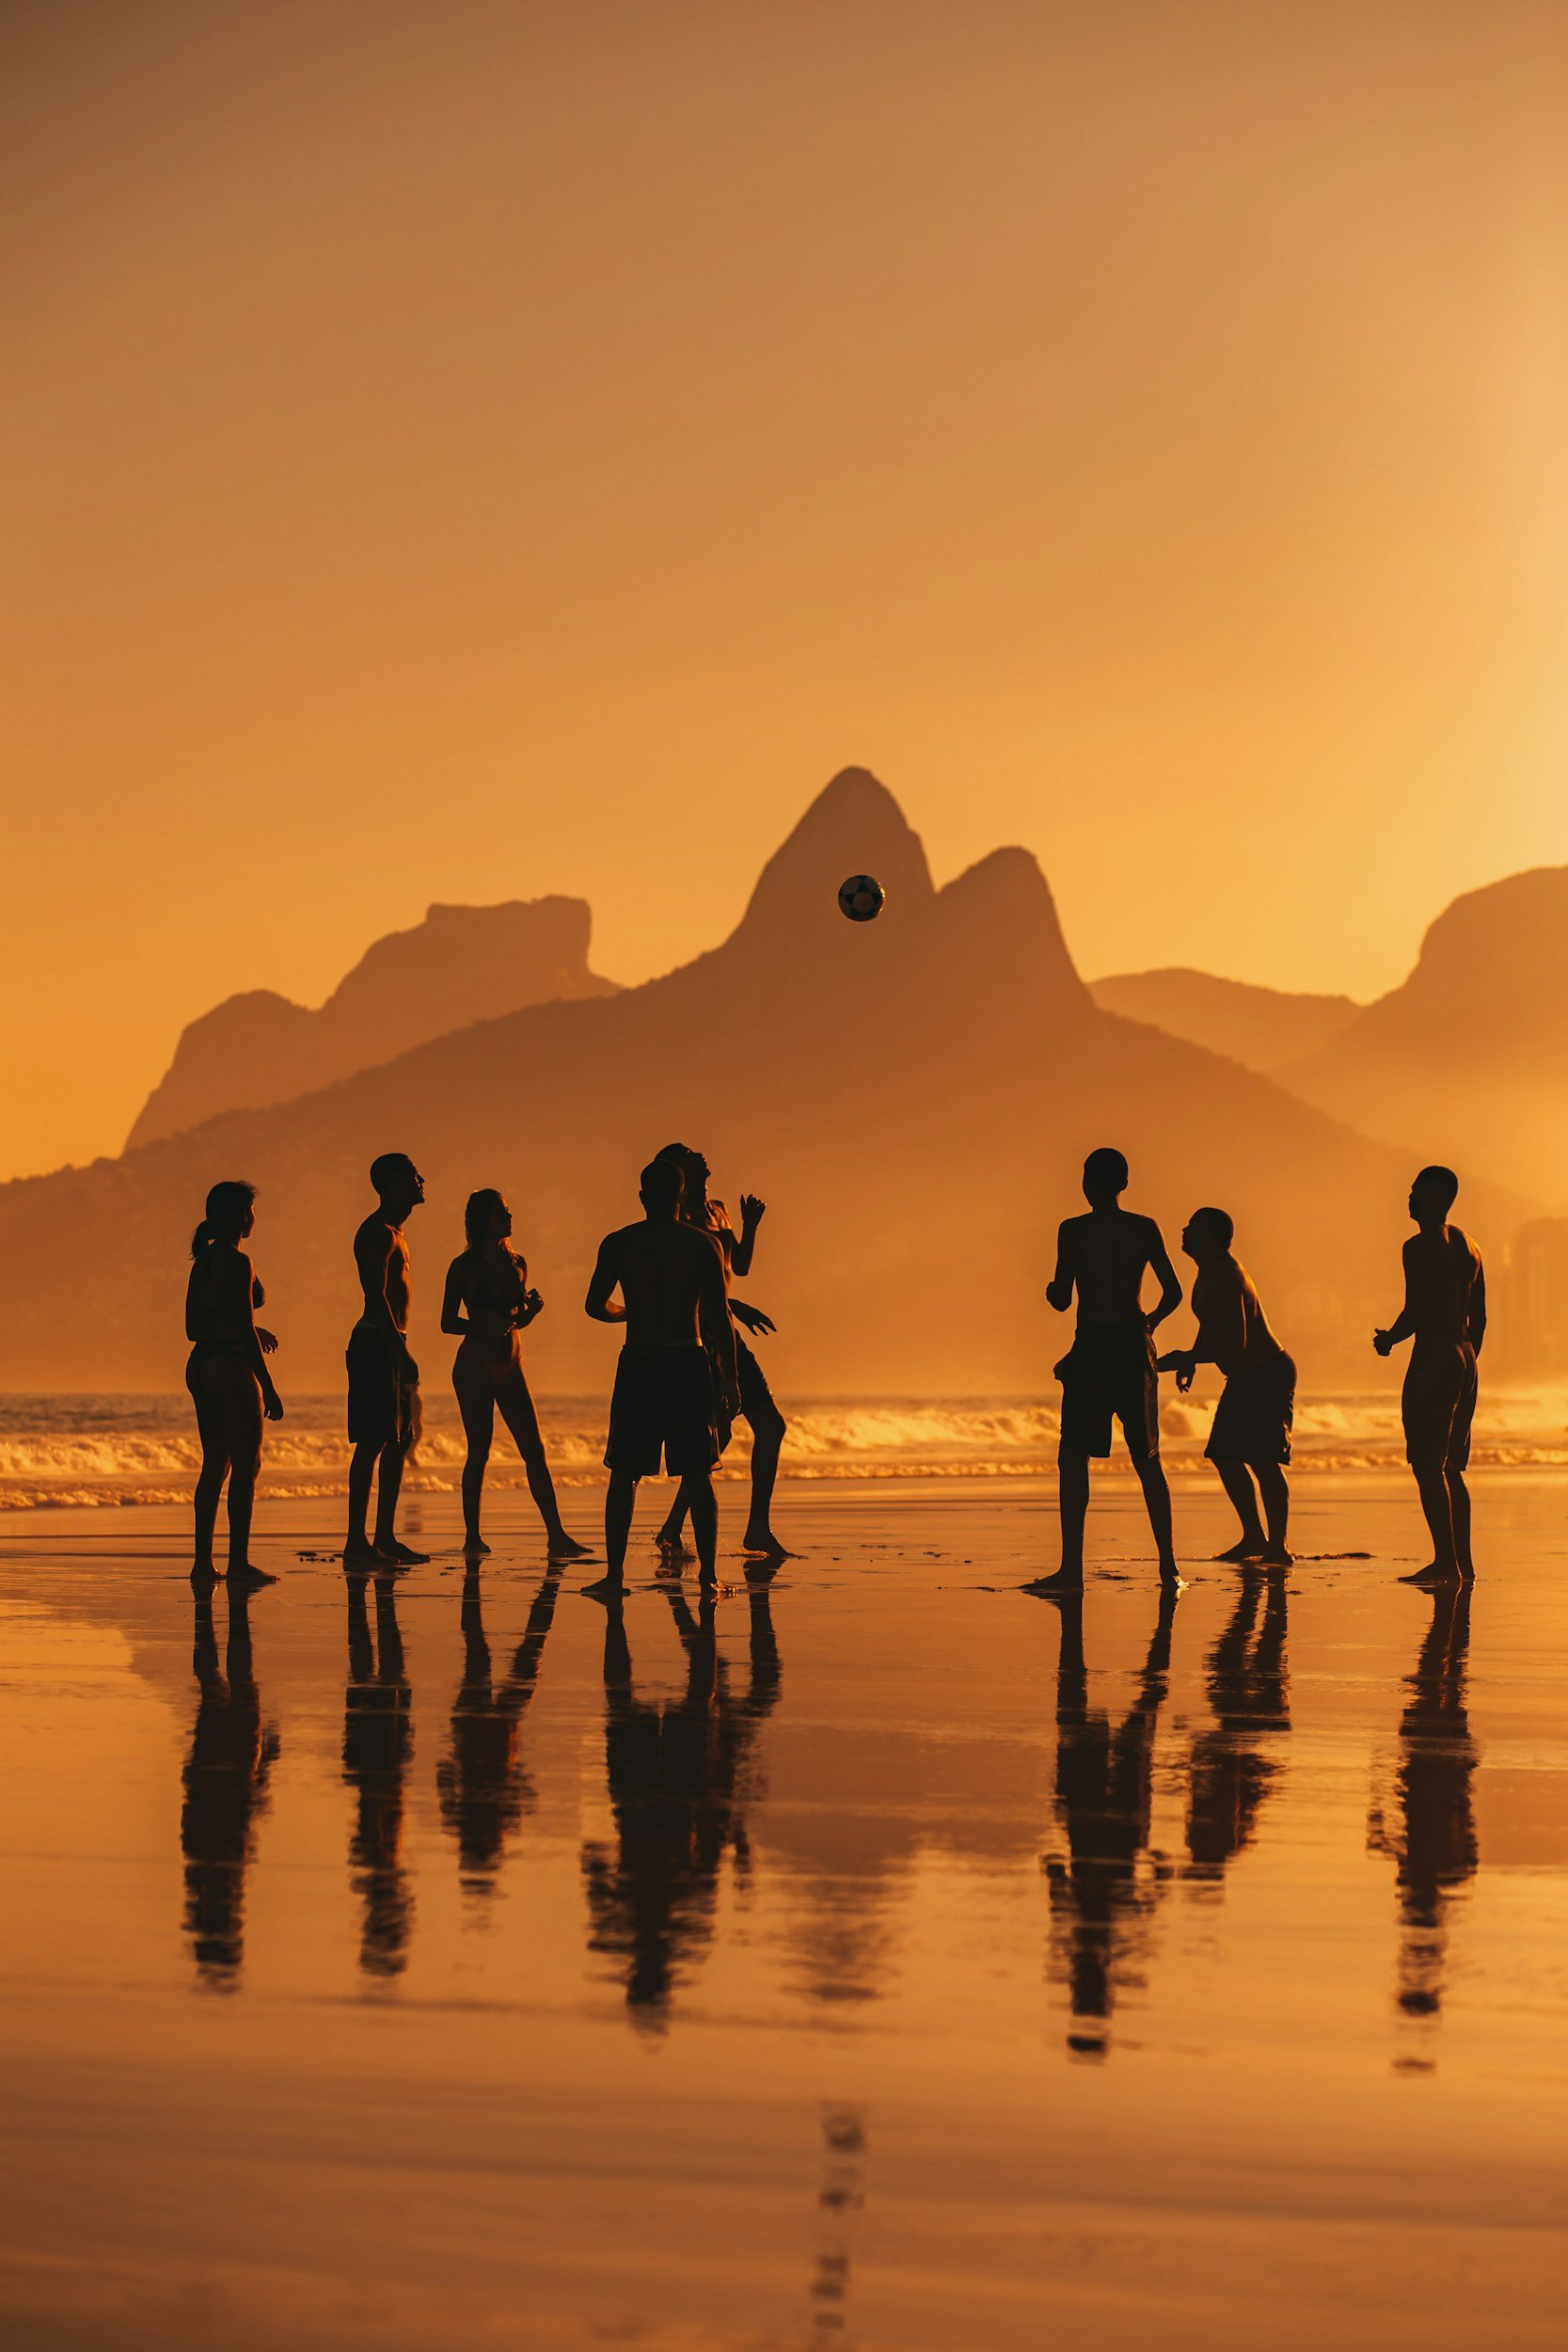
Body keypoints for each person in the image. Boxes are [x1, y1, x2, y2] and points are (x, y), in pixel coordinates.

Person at [1026, 1147, 1182, 1594]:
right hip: (1133, 1347)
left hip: (1093, 1346)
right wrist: (1148, 1323)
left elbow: (1063, 1299)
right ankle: (1168, 1569)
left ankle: (1071, 1571)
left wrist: (1050, 1290)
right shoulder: (1144, 1228)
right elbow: (1173, 1292)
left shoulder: (1072, 1230)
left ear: (1086, 1184)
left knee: (1074, 1456)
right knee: (1148, 1460)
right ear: (1125, 1183)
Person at [584, 1157, 738, 1593]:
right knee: (697, 1472)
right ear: (682, 1196)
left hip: (640, 1360)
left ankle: (613, 1576)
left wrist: (628, 1313)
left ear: (642, 1197)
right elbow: (719, 1316)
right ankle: (708, 1576)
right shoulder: (703, 1244)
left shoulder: (619, 1243)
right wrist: (730, 1379)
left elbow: (595, 1305)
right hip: (687, 1361)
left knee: (624, 1473)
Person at [652, 1143, 789, 1562]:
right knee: (718, 1435)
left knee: (771, 1427)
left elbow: (738, 1267)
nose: (706, 1169)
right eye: (696, 1167)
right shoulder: (678, 1222)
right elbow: (684, 1289)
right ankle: (674, 1528)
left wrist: (750, 1227)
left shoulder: (718, 1209)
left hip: (727, 1333)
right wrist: (735, 1306)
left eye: (706, 1167)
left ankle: (757, 1529)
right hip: (700, 1336)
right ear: (680, 1176)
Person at [440, 1188, 590, 1560]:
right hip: (474, 1365)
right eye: (502, 1213)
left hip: (511, 1365)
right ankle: (472, 1537)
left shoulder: (518, 1262)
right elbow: (447, 1322)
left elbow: (516, 1319)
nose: (510, 1218)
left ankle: (556, 1535)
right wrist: (480, 1328)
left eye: (508, 1212)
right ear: (482, 1219)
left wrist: (531, 1313)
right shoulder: (463, 1267)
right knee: (479, 1451)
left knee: (534, 1450)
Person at [1159, 1206, 1297, 1564]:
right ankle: (1254, 1537)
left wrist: (1185, 1358)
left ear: (1211, 1238)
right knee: (1225, 1454)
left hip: (1266, 1372)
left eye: (1193, 1228)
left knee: (1264, 1460)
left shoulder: (1224, 1275)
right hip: (1246, 1374)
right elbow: (1213, 1325)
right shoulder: (1208, 1272)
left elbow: (1236, 1341)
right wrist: (1192, 1354)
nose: (1184, 1231)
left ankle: (1278, 1546)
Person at [1374, 1167, 1485, 1588]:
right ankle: (1463, 1565)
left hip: (1435, 1358)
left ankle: (1445, 1563)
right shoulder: (1472, 1247)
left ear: (1437, 1198)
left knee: (1426, 1463)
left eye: (1417, 1191)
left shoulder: (1417, 1246)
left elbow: (1416, 1309)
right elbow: (1481, 1317)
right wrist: (1466, 1361)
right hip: (1464, 1357)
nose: (1409, 1196)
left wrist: (1390, 1339)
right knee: (1452, 1467)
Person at [184, 1179, 283, 1588]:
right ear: (243, 1217)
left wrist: (245, 1331)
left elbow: (194, 1328)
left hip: (202, 1364)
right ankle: (239, 1562)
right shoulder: (238, 1262)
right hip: (230, 1367)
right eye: (250, 1210)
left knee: (215, 1465)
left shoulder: (203, 1261)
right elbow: (243, 1327)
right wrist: (269, 1385)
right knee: (247, 1464)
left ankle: (203, 1563)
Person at [345, 1152, 428, 1568]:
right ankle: (356, 1541)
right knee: (372, 1442)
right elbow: (375, 1298)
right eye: (414, 1176)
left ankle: (384, 1537)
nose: (421, 1181)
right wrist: (400, 1350)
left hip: (393, 1341)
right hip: (376, 1343)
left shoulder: (398, 1234)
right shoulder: (377, 1233)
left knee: (398, 1440)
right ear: (392, 1184)